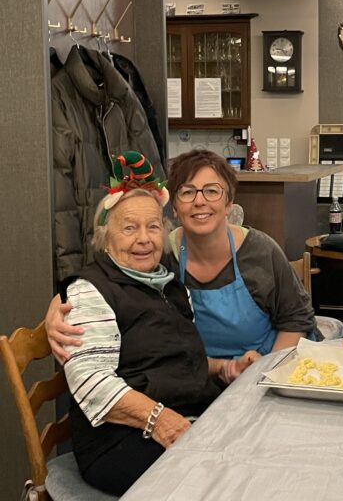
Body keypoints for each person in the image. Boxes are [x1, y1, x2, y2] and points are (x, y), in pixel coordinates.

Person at [57, 153, 240, 496]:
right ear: (105, 240)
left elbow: (170, 360)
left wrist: (224, 368)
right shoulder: (91, 292)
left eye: (153, 226)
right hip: (119, 440)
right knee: (221, 483)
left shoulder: (168, 283)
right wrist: (160, 420)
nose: (144, 238)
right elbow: (91, 382)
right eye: (129, 228)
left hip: (185, 418)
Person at [48, 149, 317, 365]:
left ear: (229, 205)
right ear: (174, 208)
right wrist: (57, 306)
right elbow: (106, 276)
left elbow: (296, 320)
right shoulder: (160, 252)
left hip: (261, 372)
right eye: (187, 192)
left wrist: (264, 374)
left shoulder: (261, 252)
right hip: (199, 380)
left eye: (212, 191)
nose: (200, 201)